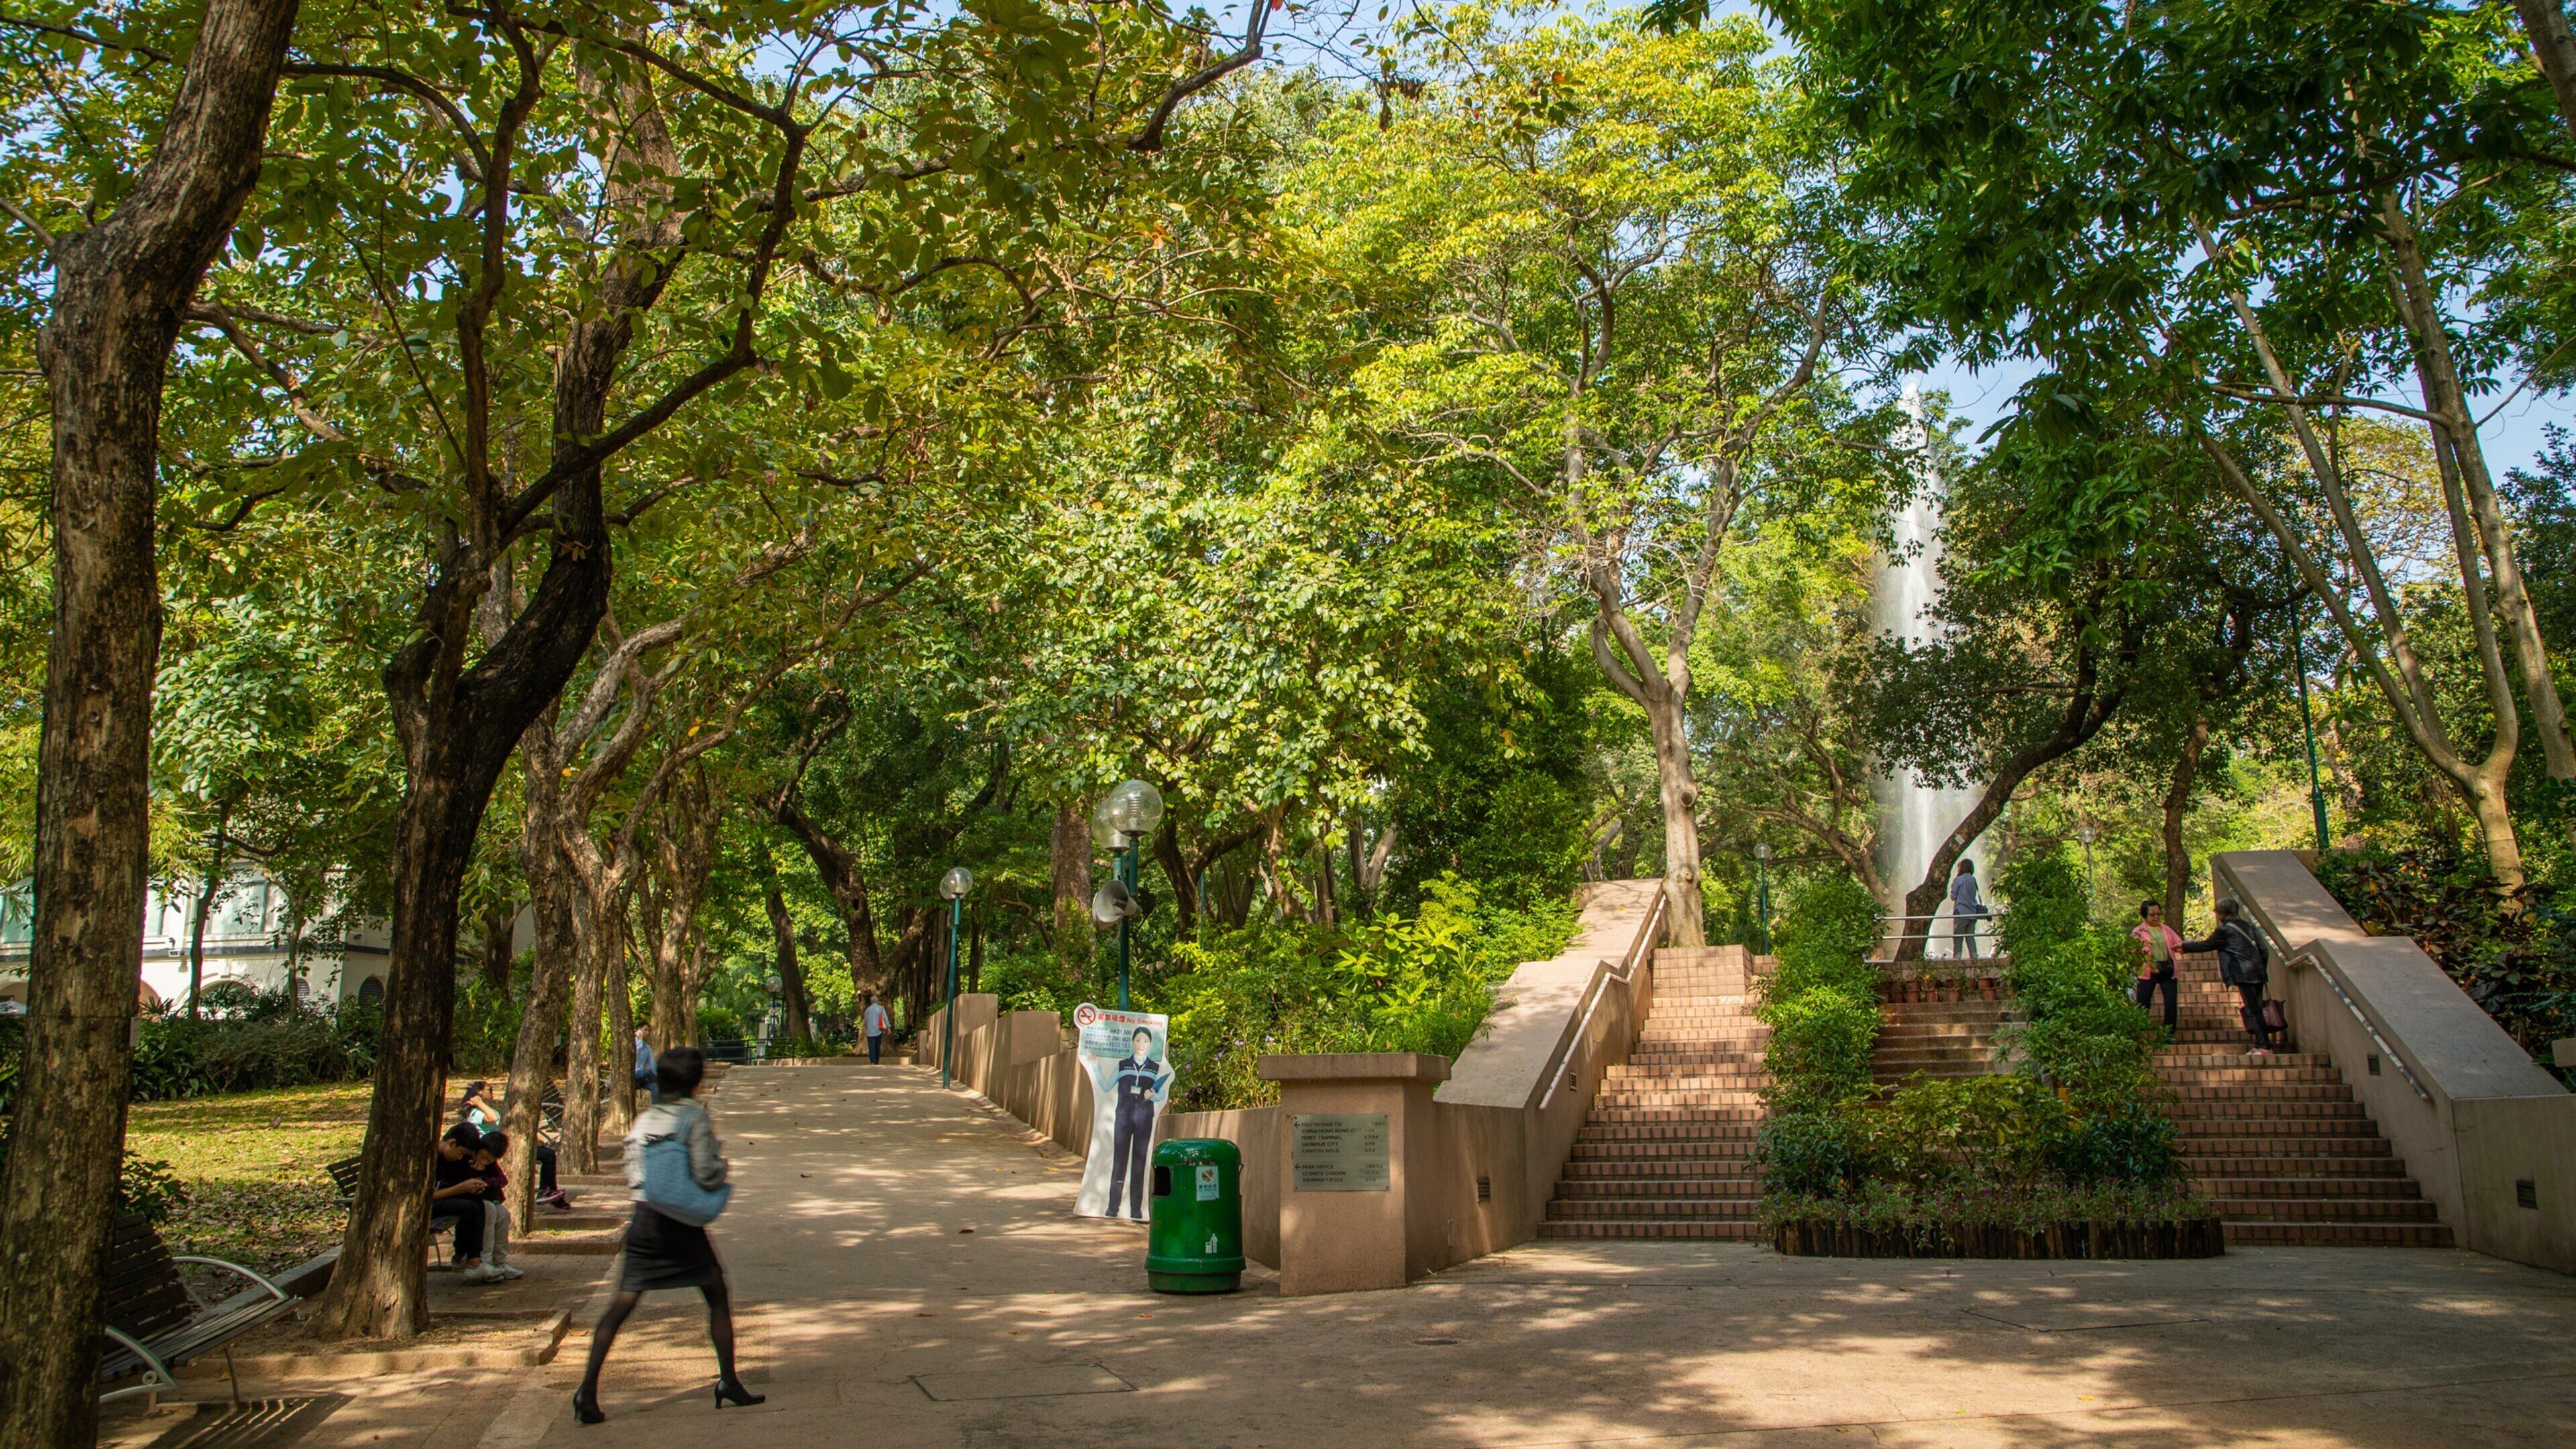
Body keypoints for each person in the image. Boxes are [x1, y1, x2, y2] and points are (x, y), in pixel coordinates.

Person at [572, 1046, 762, 1424]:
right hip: (681, 1226)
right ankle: (728, 1381)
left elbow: (634, 1172)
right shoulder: (694, 1118)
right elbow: (706, 1171)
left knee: (621, 1305)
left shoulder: (646, 1120)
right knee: (716, 1293)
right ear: (696, 1081)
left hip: (645, 1221)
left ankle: (587, 1392)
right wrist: (723, 1169)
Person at [2182, 898, 2273, 1057]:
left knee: (2254, 1010)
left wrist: (2183, 947)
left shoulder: (2224, 931)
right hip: (2258, 972)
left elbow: (2206, 945)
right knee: (2256, 1008)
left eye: (2216, 911)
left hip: (2244, 974)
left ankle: (2265, 1046)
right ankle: (2260, 1045)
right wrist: (2261, 968)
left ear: (2221, 913)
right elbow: (2264, 950)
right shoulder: (2249, 926)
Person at [460, 1079, 570, 1210]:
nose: (492, 1093)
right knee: (548, 1156)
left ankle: (549, 1191)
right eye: (489, 1089)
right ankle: (546, 1190)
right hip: (490, 1149)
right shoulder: (475, 1113)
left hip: (501, 1146)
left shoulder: (485, 1109)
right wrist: (479, 1103)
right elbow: (493, 1118)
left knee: (548, 1154)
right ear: (479, 1092)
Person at [1108, 1027, 1167, 1221]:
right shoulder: (1123, 1065)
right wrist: (1093, 1067)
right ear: (1133, 1042)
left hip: (1144, 1118)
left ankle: (1136, 1209)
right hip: (1123, 1117)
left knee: (1139, 1162)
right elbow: (1106, 1084)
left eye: (1146, 1041)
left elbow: (1163, 1094)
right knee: (1120, 1162)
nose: (1142, 1045)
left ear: (1150, 1045)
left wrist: (1154, 1095)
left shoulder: (1155, 1068)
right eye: (1138, 1041)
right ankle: (1112, 1207)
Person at [431, 1123, 494, 1282]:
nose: (460, 1158)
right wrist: (460, 1189)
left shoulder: (447, 1158)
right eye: (460, 1154)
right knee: (468, 1207)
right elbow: (426, 1196)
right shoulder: (431, 1158)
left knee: (475, 1202)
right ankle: (471, 1261)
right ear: (452, 1143)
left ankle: (469, 1259)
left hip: (435, 1201)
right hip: (423, 1207)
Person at [470, 1132, 525, 1281]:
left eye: (489, 1160)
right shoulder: (468, 1159)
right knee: (490, 1211)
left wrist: (485, 1181)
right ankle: (485, 1261)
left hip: (489, 1198)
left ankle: (501, 1262)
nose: (484, 1161)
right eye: (482, 1157)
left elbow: (503, 1180)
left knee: (503, 1215)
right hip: (473, 1200)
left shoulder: (491, 1165)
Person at [2131, 900, 2182, 1033]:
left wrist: (2182, 947)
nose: (2156, 917)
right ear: (2144, 915)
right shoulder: (2139, 931)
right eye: (2152, 914)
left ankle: (2169, 1034)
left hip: (2167, 970)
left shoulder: (2166, 929)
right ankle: (2141, 1032)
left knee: (2171, 1003)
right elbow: (2132, 951)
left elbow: (2179, 943)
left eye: (2158, 914)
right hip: (2147, 971)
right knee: (2143, 1003)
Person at [1949, 860, 1987, 960]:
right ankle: (1974, 957)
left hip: (1961, 912)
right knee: (1970, 936)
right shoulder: (1973, 879)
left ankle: (1957, 958)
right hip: (1972, 912)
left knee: (1958, 936)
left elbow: (1953, 896)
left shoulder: (1958, 880)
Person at [862, 992, 890, 1065]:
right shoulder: (881, 1008)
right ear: (877, 1001)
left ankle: (872, 1061)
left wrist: (867, 1027)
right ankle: (877, 1061)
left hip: (870, 1032)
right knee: (877, 1046)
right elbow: (885, 1018)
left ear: (871, 1002)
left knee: (871, 1047)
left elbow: (865, 1021)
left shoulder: (867, 1010)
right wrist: (888, 1027)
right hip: (879, 1031)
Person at [631, 1026, 657, 1102]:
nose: (648, 1032)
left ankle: (657, 1109)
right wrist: (640, 1041)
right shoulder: (630, 1043)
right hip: (632, 1074)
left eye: (649, 1031)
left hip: (641, 1076)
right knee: (648, 1071)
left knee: (655, 1086)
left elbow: (653, 1066)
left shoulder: (648, 1048)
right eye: (645, 1030)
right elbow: (636, 1053)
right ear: (638, 1031)